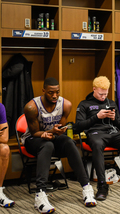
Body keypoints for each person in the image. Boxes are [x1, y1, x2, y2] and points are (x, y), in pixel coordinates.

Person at [22, 77, 96, 213]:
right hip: (33, 140)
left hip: (52, 137)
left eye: (57, 92)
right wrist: (49, 132)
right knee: (47, 146)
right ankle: (40, 195)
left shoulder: (66, 105)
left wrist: (60, 131)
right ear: (43, 90)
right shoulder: (31, 107)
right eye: (51, 92)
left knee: (69, 142)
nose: (55, 95)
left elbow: (60, 132)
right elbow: (34, 133)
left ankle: (86, 187)